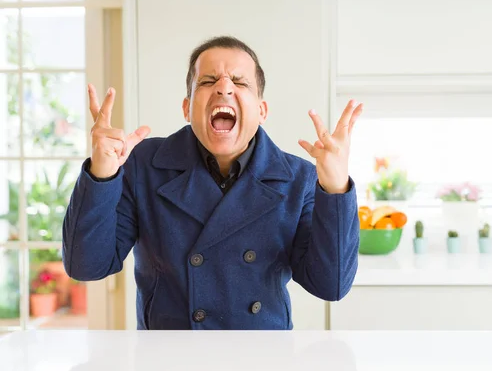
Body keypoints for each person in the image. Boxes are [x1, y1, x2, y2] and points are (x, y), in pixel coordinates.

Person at [62, 35, 363, 330]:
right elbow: (86, 266)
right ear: (186, 108)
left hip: (263, 364)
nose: (223, 88)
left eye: (240, 81)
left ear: (262, 110)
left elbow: (331, 286)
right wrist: (101, 173)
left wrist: (336, 187)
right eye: (207, 81)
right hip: (168, 364)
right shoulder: (143, 164)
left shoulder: (300, 179)